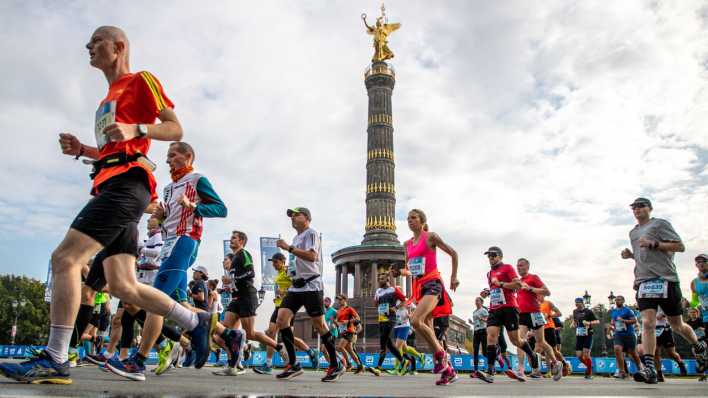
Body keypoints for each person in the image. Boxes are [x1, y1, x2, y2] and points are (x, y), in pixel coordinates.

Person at [0, 26, 229, 385]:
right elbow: (115, 149)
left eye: (96, 41)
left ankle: (56, 356)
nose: (88, 46)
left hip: (126, 188)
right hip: (110, 185)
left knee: (65, 259)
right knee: (122, 286)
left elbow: (174, 128)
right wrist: (84, 150)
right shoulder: (106, 98)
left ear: (119, 46)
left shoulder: (141, 80)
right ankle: (193, 321)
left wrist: (138, 128)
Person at [105, 141, 232, 381]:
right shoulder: (167, 188)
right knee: (177, 304)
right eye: (167, 156)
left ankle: (139, 361)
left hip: (186, 241)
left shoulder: (197, 179)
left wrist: (193, 205)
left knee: (156, 300)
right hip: (169, 245)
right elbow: (168, 222)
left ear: (188, 156)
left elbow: (221, 209)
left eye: (173, 155)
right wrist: (162, 218)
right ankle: (228, 336)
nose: (167, 160)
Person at [621, 197, 707, 383]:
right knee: (647, 323)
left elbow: (680, 246)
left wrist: (655, 244)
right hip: (644, 281)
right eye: (634, 207)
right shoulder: (633, 233)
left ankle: (699, 346)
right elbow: (643, 256)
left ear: (650, 208)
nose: (637, 209)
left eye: (641, 206)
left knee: (677, 325)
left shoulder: (660, 224)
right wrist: (631, 256)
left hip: (666, 280)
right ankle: (650, 370)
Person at [274, 207, 344, 382]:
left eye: (296, 214)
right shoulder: (296, 237)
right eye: (291, 216)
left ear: (307, 218)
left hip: (311, 285)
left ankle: (336, 364)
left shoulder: (310, 233)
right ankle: (294, 364)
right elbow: (296, 263)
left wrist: (288, 248)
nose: (292, 218)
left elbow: (312, 257)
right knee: (282, 320)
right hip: (297, 287)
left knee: (320, 325)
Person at [395, 209, 459, 386]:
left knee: (415, 320)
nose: (410, 221)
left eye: (413, 218)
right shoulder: (406, 244)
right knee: (427, 329)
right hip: (420, 288)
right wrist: (399, 271)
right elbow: (411, 270)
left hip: (433, 283)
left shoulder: (430, 236)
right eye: (408, 218)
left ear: (422, 221)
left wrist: (454, 277)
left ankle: (441, 355)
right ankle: (449, 371)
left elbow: (453, 253)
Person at [214, 231, 285, 376]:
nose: (231, 240)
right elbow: (236, 281)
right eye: (231, 238)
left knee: (251, 333)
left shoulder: (243, 254)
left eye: (234, 238)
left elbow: (250, 273)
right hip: (236, 298)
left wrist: (232, 280)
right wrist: (228, 286)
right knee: (225, 332)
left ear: (241, 241)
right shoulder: (234, 259)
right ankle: (233, 364)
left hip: (247, 296)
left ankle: (279, 347)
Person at [475, 246, 538, 384]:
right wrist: (487, 292)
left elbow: (517, 285)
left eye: (493, 255)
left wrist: (501, 283)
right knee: (490, 337)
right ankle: (490, 372)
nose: (491, 258)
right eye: (489, 256)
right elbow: (494, 288)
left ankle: (532, 355)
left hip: (509, 307)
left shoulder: (508, 268)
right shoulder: (489, 273)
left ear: (500, 256)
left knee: (516, 340)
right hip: (494, 308)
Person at [253, 252, 318, 375]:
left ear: (283, 261)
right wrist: (278, 296)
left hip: (288, 307)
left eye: (276, 262)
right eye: (272, 262)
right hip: (278, 306)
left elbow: (298, 284)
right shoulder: (278, 274)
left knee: (285, 337)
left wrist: (285, 292)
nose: (273, 264)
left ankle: (308, 351)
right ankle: (268, 364)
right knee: (273, 334)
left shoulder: (289, 270)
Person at [514, 258, 562, 381]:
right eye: (517, 266)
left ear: (527, 267)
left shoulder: (533, 277)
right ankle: (520, 369)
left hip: (535, 313)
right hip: (523, 315)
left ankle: (556, 363)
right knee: (519, 340)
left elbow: (547, 292)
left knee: (541, 342)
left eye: (521, 265)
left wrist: (530, 288)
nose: (519, 268)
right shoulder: (518, 281)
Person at [368, 272, 406, 376]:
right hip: (381, 318)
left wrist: (396, 308)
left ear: (387, 280)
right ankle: (403, 361)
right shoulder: (378, 291)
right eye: (379, 279)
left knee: (383, 342)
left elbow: (404, 300)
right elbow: (375, 304)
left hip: (390, 319)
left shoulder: (394, 289)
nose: (380, 281)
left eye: (382, 279)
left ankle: (378, 367)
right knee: (388, 343)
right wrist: (376, 298)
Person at [609, 295, 642, 379]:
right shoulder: (614, 311)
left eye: (619, 300)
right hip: (618, 334)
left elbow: (635, 321)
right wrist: (611, 325)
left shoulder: (628, 310)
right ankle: (622, 371)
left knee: (633, 353)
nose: (617, 301)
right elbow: (613, 321)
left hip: (629, 334)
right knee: (617, 349)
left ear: (623, 301)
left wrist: (624, 321)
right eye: (616, 300)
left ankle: (640, 369)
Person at [654, 308, 688, 381]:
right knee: (656, 353)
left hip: (665, 330)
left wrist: (663, 314)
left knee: (671, 353)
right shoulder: (647, 302)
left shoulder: (664, 301)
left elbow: (673, 312)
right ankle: (659, 374)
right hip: (653, 329)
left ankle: (681, 363)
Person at [334, 295, 365, 373]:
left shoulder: (349, 309)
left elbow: (358, 318)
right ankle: (359, 365)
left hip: (349, 331)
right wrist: (336, 323)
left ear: (345, 300)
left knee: (340, 347)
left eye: (340, 299)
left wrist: (348, 321)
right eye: (338, 300)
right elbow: (339, 322)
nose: (339, 301)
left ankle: (349, 364)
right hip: (342, 331)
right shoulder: (339, 310)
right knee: (350, 350)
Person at [572, 297, 598, 379]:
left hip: (588, 335)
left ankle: (589, 373)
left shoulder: (588, 311)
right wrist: (573, 324)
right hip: (579, 335)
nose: (576, 304)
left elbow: (597, 321)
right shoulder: (575, 311)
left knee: (586, 355)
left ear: (582, 303)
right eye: (575, 302)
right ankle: (590, 366)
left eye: (578, 302)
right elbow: (575, 321)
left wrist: (588, 323)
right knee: (579, 355)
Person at [470, 297, 489, 376]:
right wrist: (472, 323)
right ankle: (476, 371)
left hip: (483, 331)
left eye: (477, 301)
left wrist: (481, 318)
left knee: (485, 352)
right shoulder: (474, 312)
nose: (476, 302)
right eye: (475, 301)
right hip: (476, 332)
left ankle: (492, 365)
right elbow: (476, 323)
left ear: (481, 302)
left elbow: (488, 320)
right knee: (475, 351)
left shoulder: (484, 310)